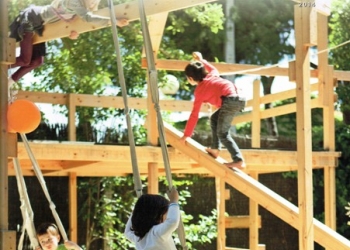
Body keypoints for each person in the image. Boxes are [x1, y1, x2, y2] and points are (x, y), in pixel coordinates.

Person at [8, 0, 129, 97]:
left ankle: (9, 82)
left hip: (40, 27)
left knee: (37, 61)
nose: (93, 2)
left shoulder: (78, 10)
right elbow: (88, 18)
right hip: (30, 18)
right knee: (25, 60)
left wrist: (72, 34)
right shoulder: (73, 2)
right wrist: (114, 21)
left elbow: (69, 25)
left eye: (96, 1)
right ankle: (3, 65)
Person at [180, 52, 247, 170]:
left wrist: (186, 135)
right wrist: (201, 60)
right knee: (214, 118)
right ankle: (215, 149)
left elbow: (194, 114)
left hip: (230, 100)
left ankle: (238, 160)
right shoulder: (213, 75)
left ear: (190, 78)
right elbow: (213, 68)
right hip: (240, 98)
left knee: (222, 133)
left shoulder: (199, 91)